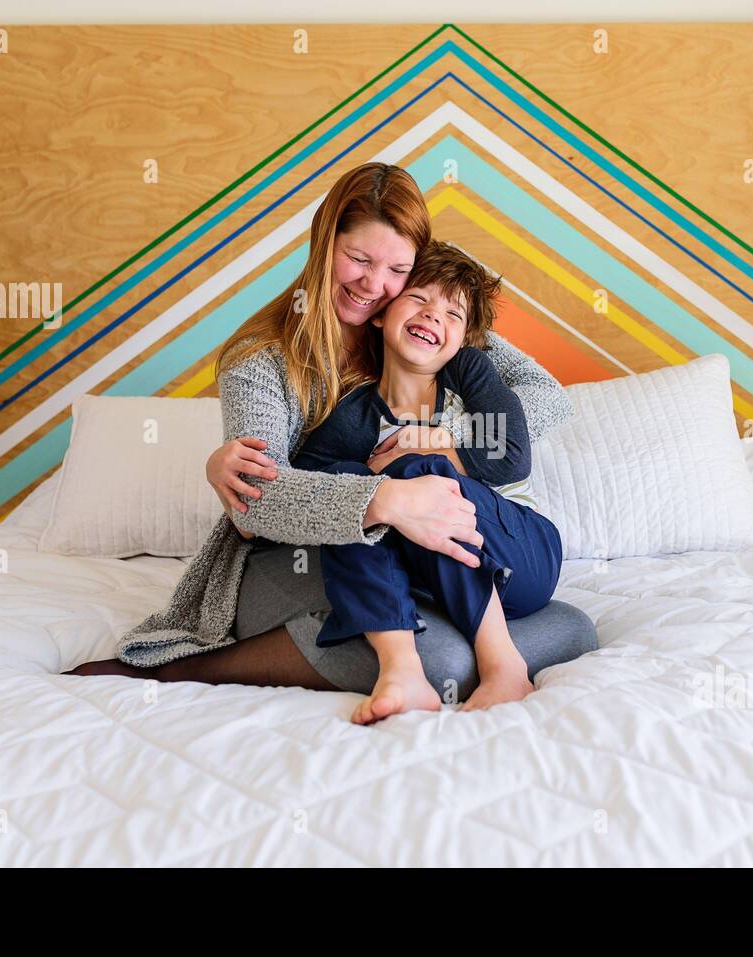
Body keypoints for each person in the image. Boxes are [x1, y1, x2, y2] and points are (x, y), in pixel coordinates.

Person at [66, 162, 596, 703]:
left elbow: (545, 398)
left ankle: (460, 644)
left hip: (419, 539)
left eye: (396, 269)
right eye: (358, 259)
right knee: (444, 658)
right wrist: (387, 495)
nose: (374, 284)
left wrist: (432, 442)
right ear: (325, 245)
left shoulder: (429, 323)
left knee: (571, 626)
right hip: (300, 551)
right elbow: (260, 504)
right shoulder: (262, 359)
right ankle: (186, 670)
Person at [291, 241, 563, 723]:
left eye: (453, 313)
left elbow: (512, 458)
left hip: (523, 554)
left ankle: (504, 666)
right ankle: (402, 671)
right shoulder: (353, 415)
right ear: (380, 314)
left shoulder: (470, 374)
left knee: (421, 474)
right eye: (418, 299)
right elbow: (308, 492)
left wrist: (430, 448)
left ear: (465, 340)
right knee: (351, 487)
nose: (433, 315)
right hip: (439, 573)